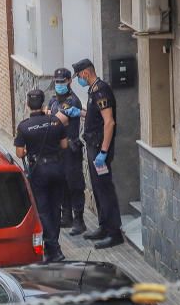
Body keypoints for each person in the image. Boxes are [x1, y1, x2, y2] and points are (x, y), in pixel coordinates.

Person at [73, 58, 124, 249]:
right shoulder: (93, 90)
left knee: (105, 189)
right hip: (94, 146)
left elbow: (109, 122)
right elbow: (95, 115)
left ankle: (114, 232)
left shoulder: (101, 90)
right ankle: (104, 226)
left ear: (85, 73)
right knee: (97, 188)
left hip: (100, 148)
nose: (79, 79)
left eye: (79, 76)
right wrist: (80, 112)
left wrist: (103, 151)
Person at [15, 89, 68, 263]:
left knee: (43, 211)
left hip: (39, 172)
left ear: (28, 105)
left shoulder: (24, 126)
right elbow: (65, 144)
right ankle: (54, 246)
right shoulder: (55, 121)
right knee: (55, 209)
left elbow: (20, 153)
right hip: (58, 168)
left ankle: (54, 248)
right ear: (44, 104)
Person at [47, 67, 86, 236]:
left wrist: (50, 117)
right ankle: (66, 215)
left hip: (70, 148)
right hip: (57, 149)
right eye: (57, 82)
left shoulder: (73, 101)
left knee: (74, 184)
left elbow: (56, 121)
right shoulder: (53, 100)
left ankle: (79, 220)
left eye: (62, 82)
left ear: (70, 81)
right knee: (61, 182)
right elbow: (51, 118)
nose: (59, 85)